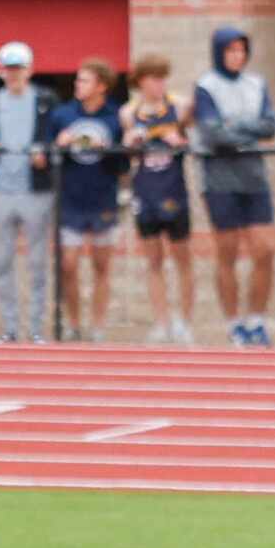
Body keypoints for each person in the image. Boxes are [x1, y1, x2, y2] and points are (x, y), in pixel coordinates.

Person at [191, 26, 275, 345]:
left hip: (254, 177)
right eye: (230, 50)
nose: (236, 56)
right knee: (227, 253)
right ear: (219, 52)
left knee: (265, 250)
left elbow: (270, 126)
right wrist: (245, 132)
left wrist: (236, 126)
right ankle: (234, 324)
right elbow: (213, 134)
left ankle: (256, 319)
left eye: (241, 50)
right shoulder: (206, 86)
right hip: (219, 179)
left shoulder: (257, 84)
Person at [48, 58, 128, 342]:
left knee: (101, 265)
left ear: (101, 86)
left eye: (84, 80)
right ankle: (73, 323)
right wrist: (58, 147)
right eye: (77, 80)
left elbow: (124, 166)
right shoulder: (63, 115)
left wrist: (109, 150)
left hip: (103, 198)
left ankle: (98, 327)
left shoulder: (115, 117)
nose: (77, 85)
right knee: (68, 264)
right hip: (70, 199)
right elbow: (44, 157)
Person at [0, 41, 56, 343]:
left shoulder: (45, 99)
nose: (14, 74)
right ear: (1, 71)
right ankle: (9, 327)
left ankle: (36, 327)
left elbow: (56, 135)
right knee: (1, 261)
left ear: (30, 69)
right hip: (0, 189)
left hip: (35, 190)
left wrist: (44, 153)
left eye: (19, 68)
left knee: (37, 261)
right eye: (9, 69)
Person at [120, 56, 195, 343]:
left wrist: (180, 139)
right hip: (145, 190)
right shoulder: (130, 113)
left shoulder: (180, 105)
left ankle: (185, 321)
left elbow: (194, 134)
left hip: (173, 189)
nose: (160, 84)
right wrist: (130, 143)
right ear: (141, 81)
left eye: (163, 78)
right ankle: (161, 321)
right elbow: (127, 153)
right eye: (154, 78)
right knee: (153, 260)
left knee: (183, 259)